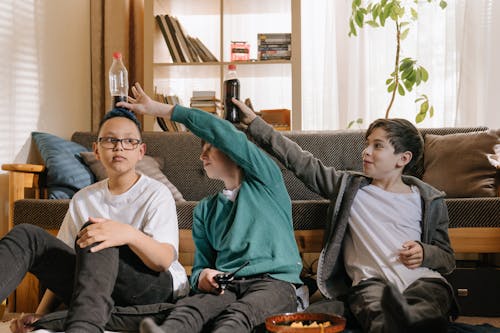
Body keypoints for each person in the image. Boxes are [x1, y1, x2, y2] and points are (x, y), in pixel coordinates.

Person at [236, 99, 457, 333]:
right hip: (372, 282)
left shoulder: (427, 199)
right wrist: (255, 123)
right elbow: (300, 162)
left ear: (403, 159)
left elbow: (447, 258)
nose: (366, 152)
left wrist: (425, 252)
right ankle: (401, 324)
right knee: (376, 309)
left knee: (428, 303)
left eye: (378, 146)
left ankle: (415, 321)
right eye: (367, 144)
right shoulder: (349, 188)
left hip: (422, 279)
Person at [117, 83, 303, 333]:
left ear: (233, 150)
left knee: (237, 315)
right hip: (227, 284)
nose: (201, 155)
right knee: (190, 308)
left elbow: (221, 130)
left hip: (275, 284)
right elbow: (200, 268)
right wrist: (203, 276)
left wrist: (160, 109)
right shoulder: (205, 209)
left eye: (209, 147)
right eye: (201, 149)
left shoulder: (266, 182)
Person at [1, 108, 188, 333]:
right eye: (110, 140)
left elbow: (163, 260)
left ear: (141, 151)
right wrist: (43, 314)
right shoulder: (83, 198)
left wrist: (126, 234)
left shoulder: (156, 193)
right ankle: (80, 318)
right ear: (96, 150)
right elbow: (64, 258)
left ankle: (83, 327)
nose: (119, 146)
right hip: (94, 288)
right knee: (28, 235)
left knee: (96, 233)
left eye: (129, 141)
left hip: (151, 287)